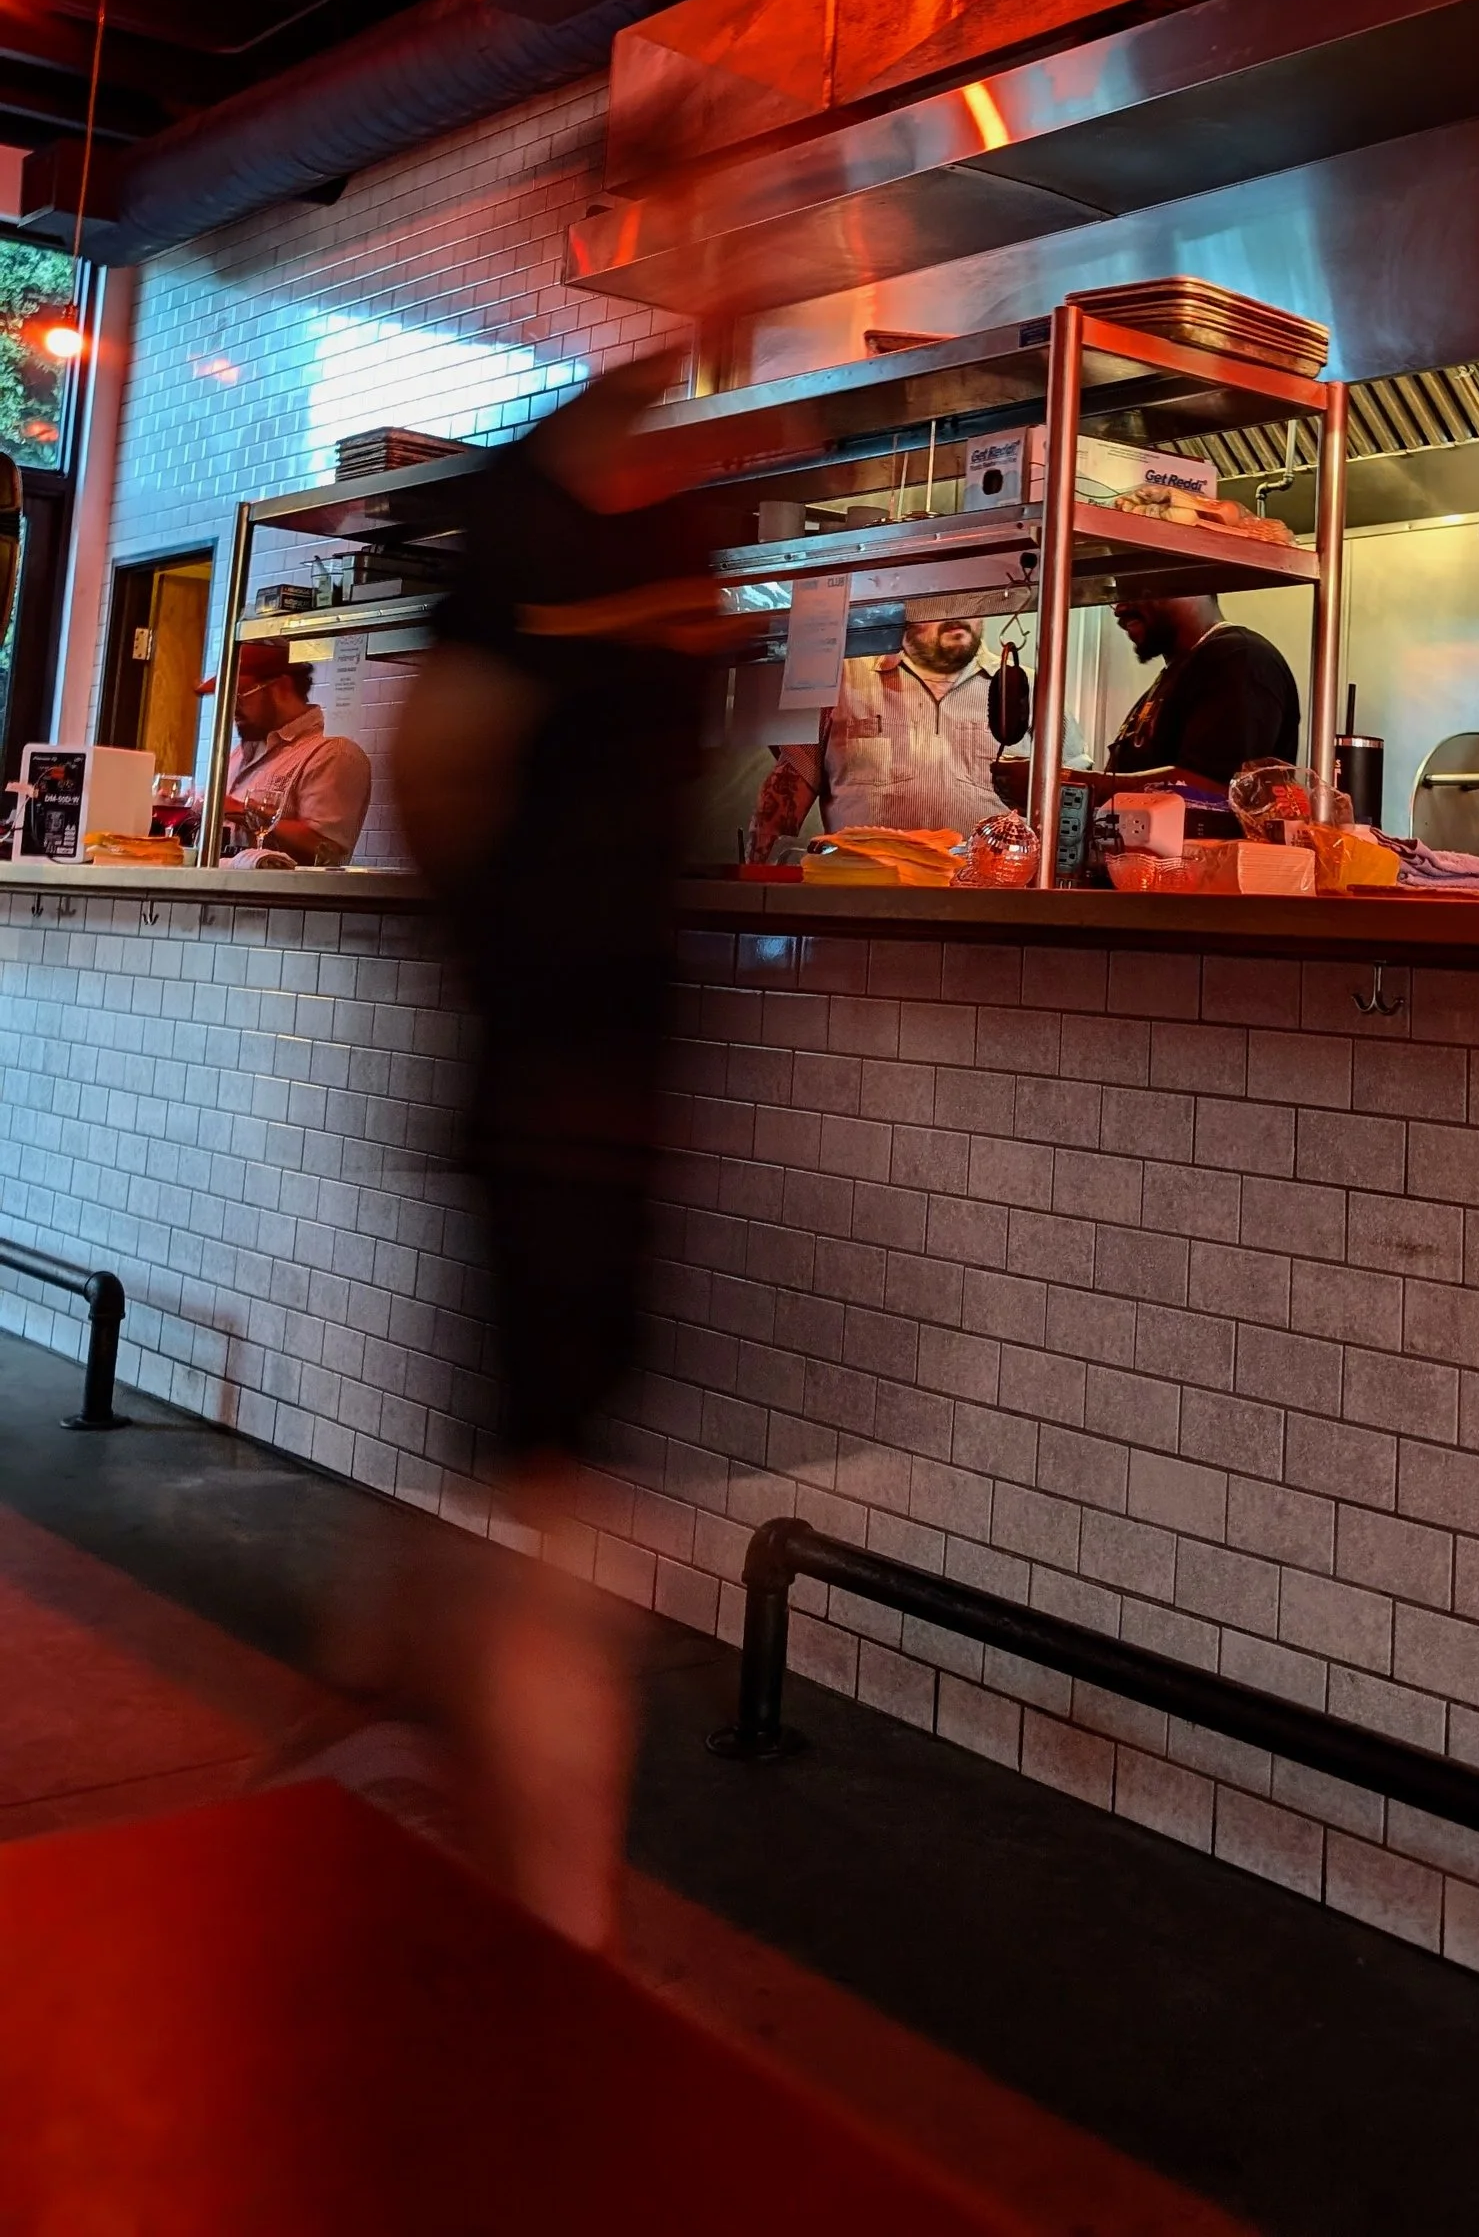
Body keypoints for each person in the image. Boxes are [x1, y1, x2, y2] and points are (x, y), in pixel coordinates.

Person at [379, 351, 730, 1948]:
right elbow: (440, 766)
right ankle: (558, 1919)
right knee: (554, 1500)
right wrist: (506, 978)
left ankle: (442, 1706)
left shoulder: (683, 520)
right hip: (553, 1066)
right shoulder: (525, 521)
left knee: (554, 1490)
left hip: (622, 1066)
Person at [749, 612, 1000, 855]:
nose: (956, 613)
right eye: (941, 600)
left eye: (968, 601)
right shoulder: (841, 681)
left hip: (990, 893)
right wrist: (758, 885)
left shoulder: (1025, 688)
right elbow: (783, 801)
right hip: (865, 890)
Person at [199, 639, 372, 863]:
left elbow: (327, 852)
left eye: (238, 695)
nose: (231, 708)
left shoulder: (333, 754)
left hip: (287, 896)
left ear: (281, 687)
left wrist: (241, 811)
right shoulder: (239, 754)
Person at [1106, 587, 1300, 781]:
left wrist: (1090, 784)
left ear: (1194, 583)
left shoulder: (1240, 657)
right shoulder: (1179, 672)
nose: (1119, 609)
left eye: (1134, 588)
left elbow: (1212, 793)